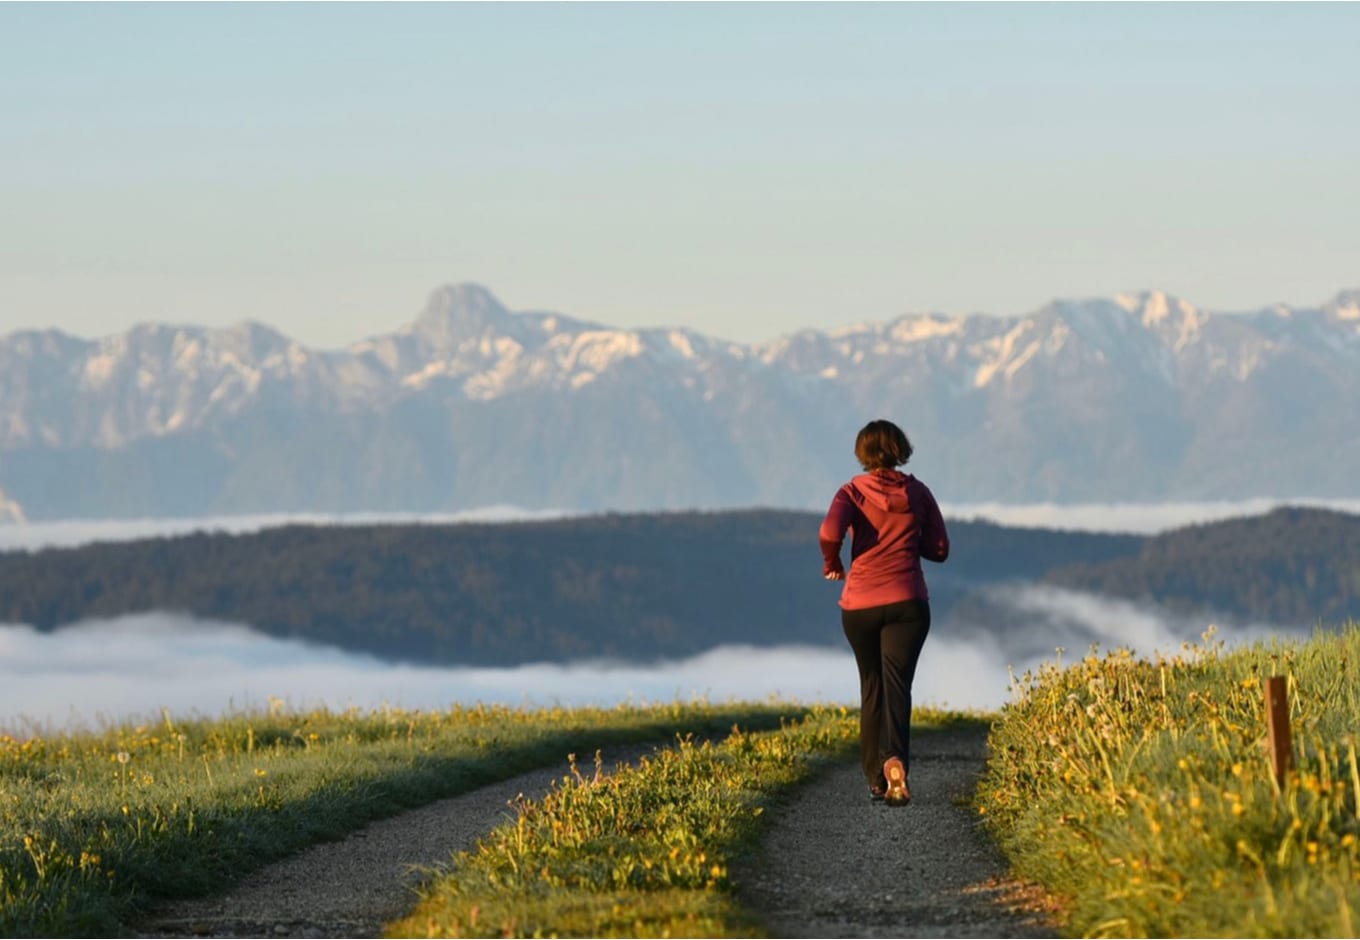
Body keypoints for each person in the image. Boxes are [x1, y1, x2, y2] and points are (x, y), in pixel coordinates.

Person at [819, 419, 950, 806]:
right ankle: (896, 760)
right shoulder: (919, 492)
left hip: (860, 605)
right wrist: (908, 542)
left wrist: (833, 561)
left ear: (862, 453)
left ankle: (876, 779)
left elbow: (829, 532)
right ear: (901, 449)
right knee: (898, 686)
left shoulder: (850, 492)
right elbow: (940, 549)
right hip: (908, 603)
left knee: (871, 685)